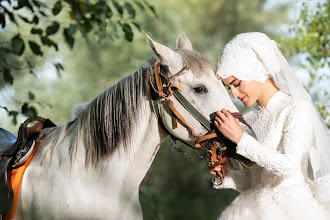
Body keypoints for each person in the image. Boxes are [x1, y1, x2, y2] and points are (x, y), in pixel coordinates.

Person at [208, 32, 330, 220]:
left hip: (292, 210)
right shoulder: (248, 118)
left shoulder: (296, 108)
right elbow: (254, 181)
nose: (233, 93)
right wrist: (225, 175)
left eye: (236, 83)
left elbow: (288, 166)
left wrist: (240, 138)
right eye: (229, 87)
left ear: (253, 70)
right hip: (251, 209)